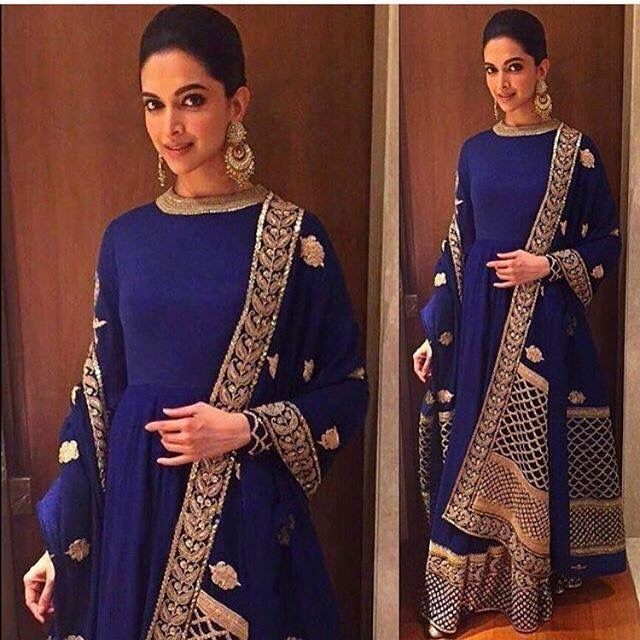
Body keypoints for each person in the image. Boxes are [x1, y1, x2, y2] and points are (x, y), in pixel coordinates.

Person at [23, 6, 368, 639]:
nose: (170, 128)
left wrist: (244, 428)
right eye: (153, 105)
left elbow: (346, 388)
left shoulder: (293, 238)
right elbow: (98, 397)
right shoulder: (125, 239)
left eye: (191, 100)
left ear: (237, 103)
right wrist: (62, 544)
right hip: (135, 520)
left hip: (242, 512)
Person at [412, 8, 625, 638]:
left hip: (543, 329)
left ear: (541, 69)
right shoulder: (474, 152)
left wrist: (547, 265)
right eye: (491, 70)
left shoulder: (574, 151)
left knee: (530, 456)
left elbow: (607, 241)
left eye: (514, 68)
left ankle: (526, 591)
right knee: (470, 455)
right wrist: (434, 334)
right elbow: (457, 248)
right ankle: (458, 595)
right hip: (479, 327)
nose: (502, 84)